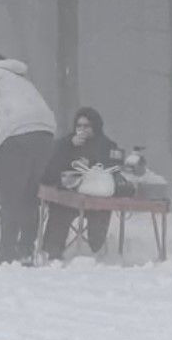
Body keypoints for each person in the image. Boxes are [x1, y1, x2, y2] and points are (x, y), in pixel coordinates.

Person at [0, 53, 56, 264]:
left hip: (16, 138)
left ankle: (7, 254)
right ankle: (26, 249)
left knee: (10, 197)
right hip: (45, 135)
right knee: (29, 196)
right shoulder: (21, 79)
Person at [40, 107, 123, 261]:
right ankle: (54, 252)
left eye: (86, 126)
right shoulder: (67, 142)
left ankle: (97, 251)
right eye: (79, 126)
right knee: (59, 208)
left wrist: (91, 162)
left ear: (95, 127)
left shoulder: (107, 144)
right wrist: (68, 145)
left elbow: (114, 165)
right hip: (70, 191)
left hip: (96, 193)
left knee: (101, 210)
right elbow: (51, 164)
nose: (82, 130)